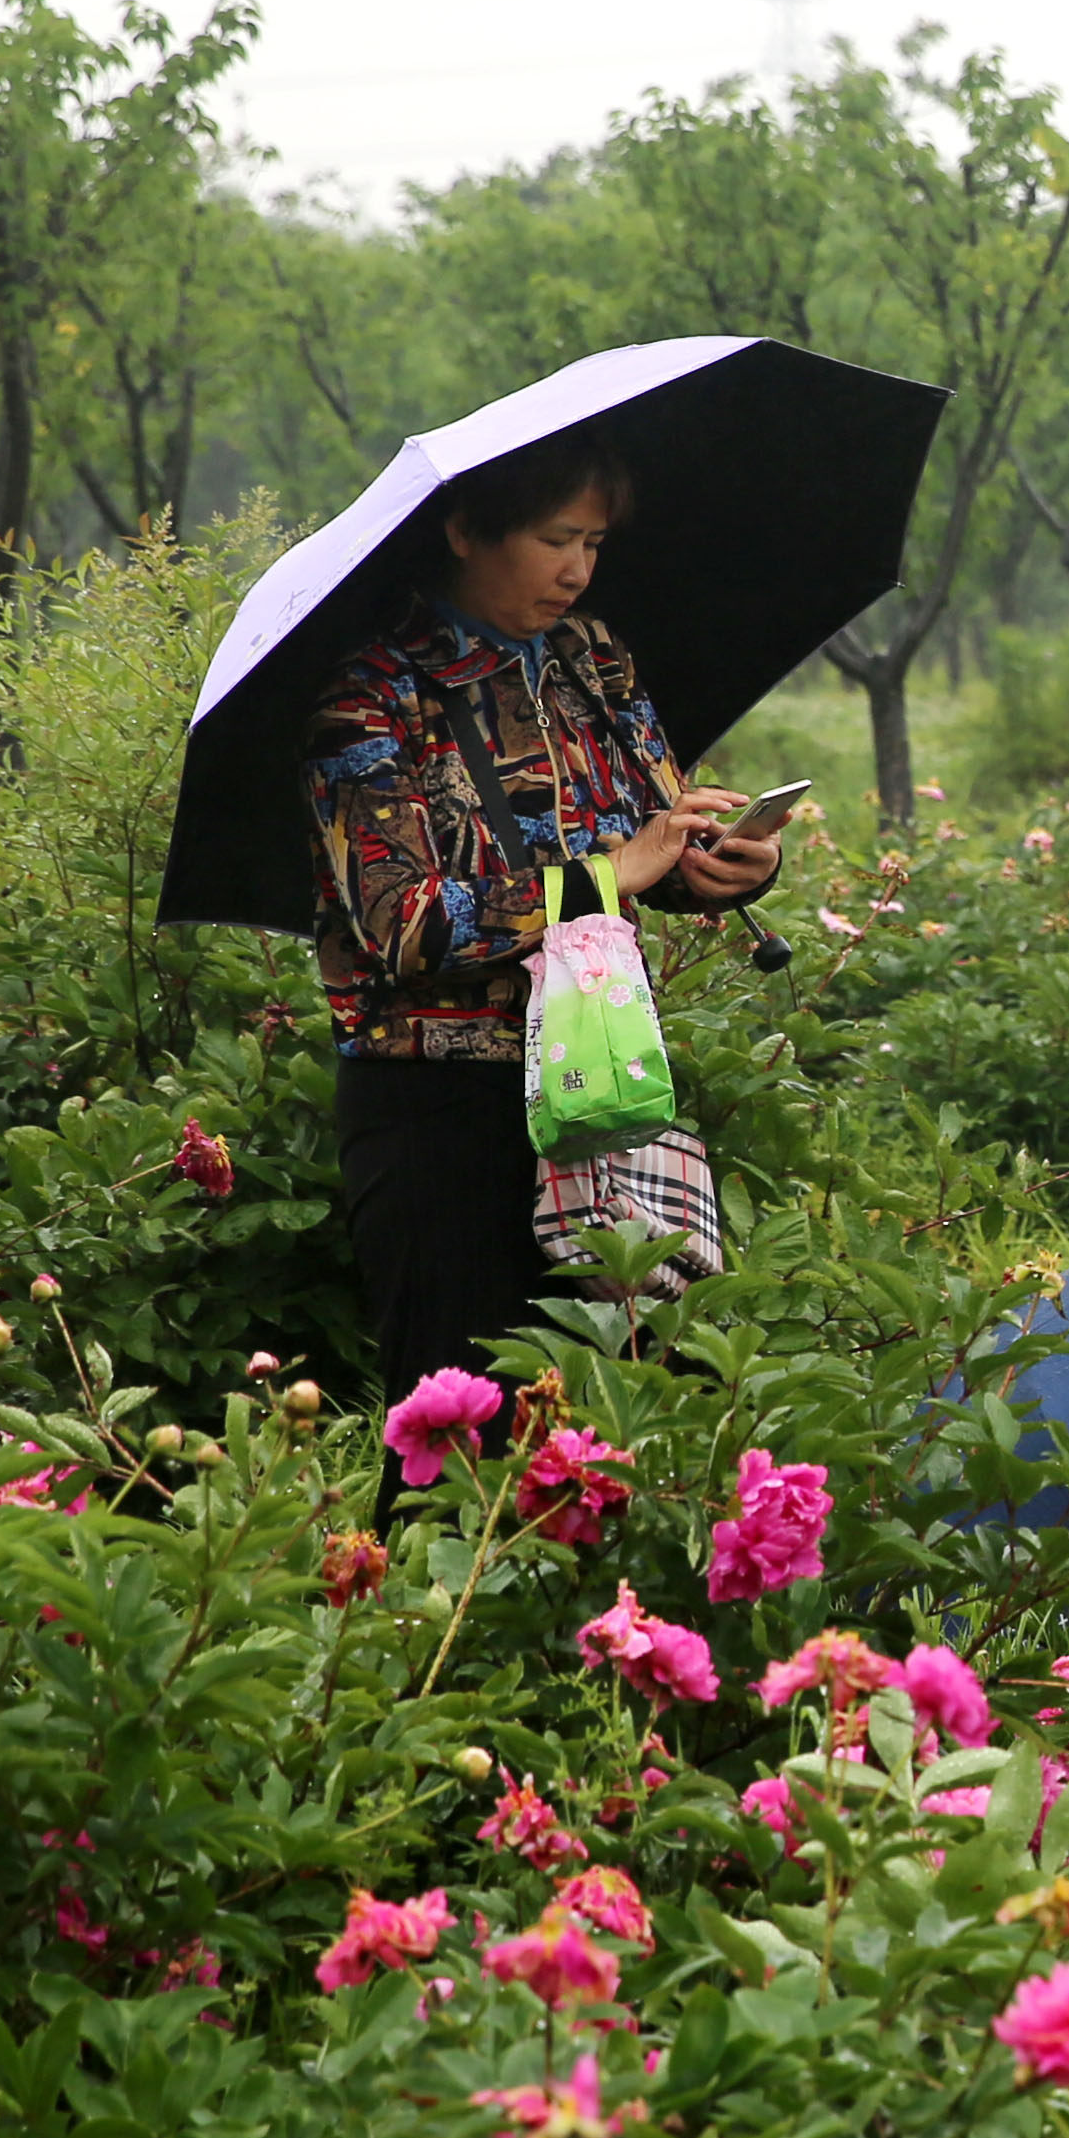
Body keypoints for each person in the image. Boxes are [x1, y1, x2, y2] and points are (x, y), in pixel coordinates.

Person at [304, 426, 781, 1448]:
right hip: (438, 1103)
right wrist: (610, 873)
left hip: (600, 1084)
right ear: (468, 528)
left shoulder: (590, 663)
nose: (578, 569)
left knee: (634, 1415)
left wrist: (726, 864)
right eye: (558, 538)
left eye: (595, 544)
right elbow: (402, 924)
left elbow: (657, 829)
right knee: (463, 1425)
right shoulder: (373, 696)